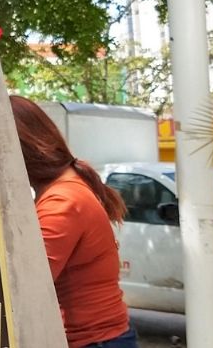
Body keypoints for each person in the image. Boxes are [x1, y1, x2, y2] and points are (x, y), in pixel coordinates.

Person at [9, 95, 137, 348]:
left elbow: (25, 285)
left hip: (94, 341)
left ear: (18, 150)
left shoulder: (62, 202)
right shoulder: (68, 186)